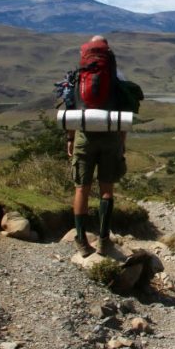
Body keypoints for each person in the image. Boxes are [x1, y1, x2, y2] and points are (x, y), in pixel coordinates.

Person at [67, 35, 127, 257]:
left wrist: (71, 139)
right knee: (106, 189)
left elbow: (71, 110)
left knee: (81, 188)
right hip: (110, 136)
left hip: (84, 136)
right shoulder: (116, 76)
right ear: (108, 52)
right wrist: (121, 143)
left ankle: (81, 240)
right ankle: (103, 240)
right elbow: (124, 114)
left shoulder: (78, 76)